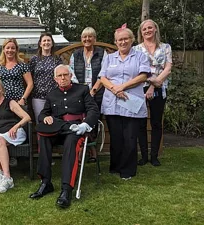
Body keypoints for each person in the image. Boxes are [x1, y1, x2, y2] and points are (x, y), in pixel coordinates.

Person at [29, 64, 99, 208]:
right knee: (43, 138)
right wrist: (45, 118)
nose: (63, 78)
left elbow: (93, 110)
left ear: (70, 75)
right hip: (59, 129)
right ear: (55, 79)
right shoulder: (52, 94)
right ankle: (45, 182)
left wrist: (85, 125)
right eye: (60, 76)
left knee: (71, 143)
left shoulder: (82, 89)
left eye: (65, 75)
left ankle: (66, 189)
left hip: (77, 129)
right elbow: (43, 113)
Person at [99, 24, 150, 180]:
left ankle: (128, 170)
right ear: (116, 42)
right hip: (112, 102)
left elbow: (143, 76)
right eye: (119, 39)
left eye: (126, 38)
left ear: (132, 40)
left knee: (129, 137)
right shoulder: (109, 58)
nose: (123, 42)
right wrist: (115, 89)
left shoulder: (140, 56)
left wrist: (123, 86)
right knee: (116, 137)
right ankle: (115, 166)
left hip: (131, 101)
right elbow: (102, 78)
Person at [0, 78, 31, 193]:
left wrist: (16, 126)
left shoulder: (10, 102)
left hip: (13, 132)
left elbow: (27, 117)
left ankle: (8, 178)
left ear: (2, 90)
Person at [135, 19, 172, 166]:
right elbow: (137, 69)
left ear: (155, 29)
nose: (147, 30)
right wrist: (150, 83)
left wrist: (154, 85)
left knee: (156, 123)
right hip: (140, 88)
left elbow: (167, 68)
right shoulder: (137, 49)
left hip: (160, 88)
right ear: (141, 32)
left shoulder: (165, 47)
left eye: (150, 28)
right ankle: (143, 156)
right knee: (140, 123)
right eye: (144, 29)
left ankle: (154, 156)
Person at [69, 27, 107, 163]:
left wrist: (93, 91)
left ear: (94, 39)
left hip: (97, 94)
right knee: (79, 121)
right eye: (84, 37)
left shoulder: (102, 53)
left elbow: (103, 74)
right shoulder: (76, 54)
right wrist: (81, 92)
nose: (87, 39)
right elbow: (71, 73)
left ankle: (92, 151)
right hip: (79, 95)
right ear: (81, 39)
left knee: (94, 122)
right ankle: (80, 153)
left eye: (90, 36)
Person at [0, 38, 33, 167]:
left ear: (16, 50)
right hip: (5, 103)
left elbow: (30, 84)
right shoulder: (0, 67)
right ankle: (9, 155)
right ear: (4, 49)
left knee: (19, 127)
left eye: (12, 48)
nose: (10, 50)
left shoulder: (22, 65)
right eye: (8, 48)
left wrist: (23, 99)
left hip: (18, 101)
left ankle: (18, 155)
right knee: (6, 126)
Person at [29, 32, 63, 123]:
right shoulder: (34, 59)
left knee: (55, 122)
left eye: (48, 40)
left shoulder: (57, 59)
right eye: (44, 41)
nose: (46, 42)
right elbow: (29, 77)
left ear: (52, 43)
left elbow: (61, 75)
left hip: (55, 96)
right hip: (38, 97)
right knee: (40, 122)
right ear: (40, 44)